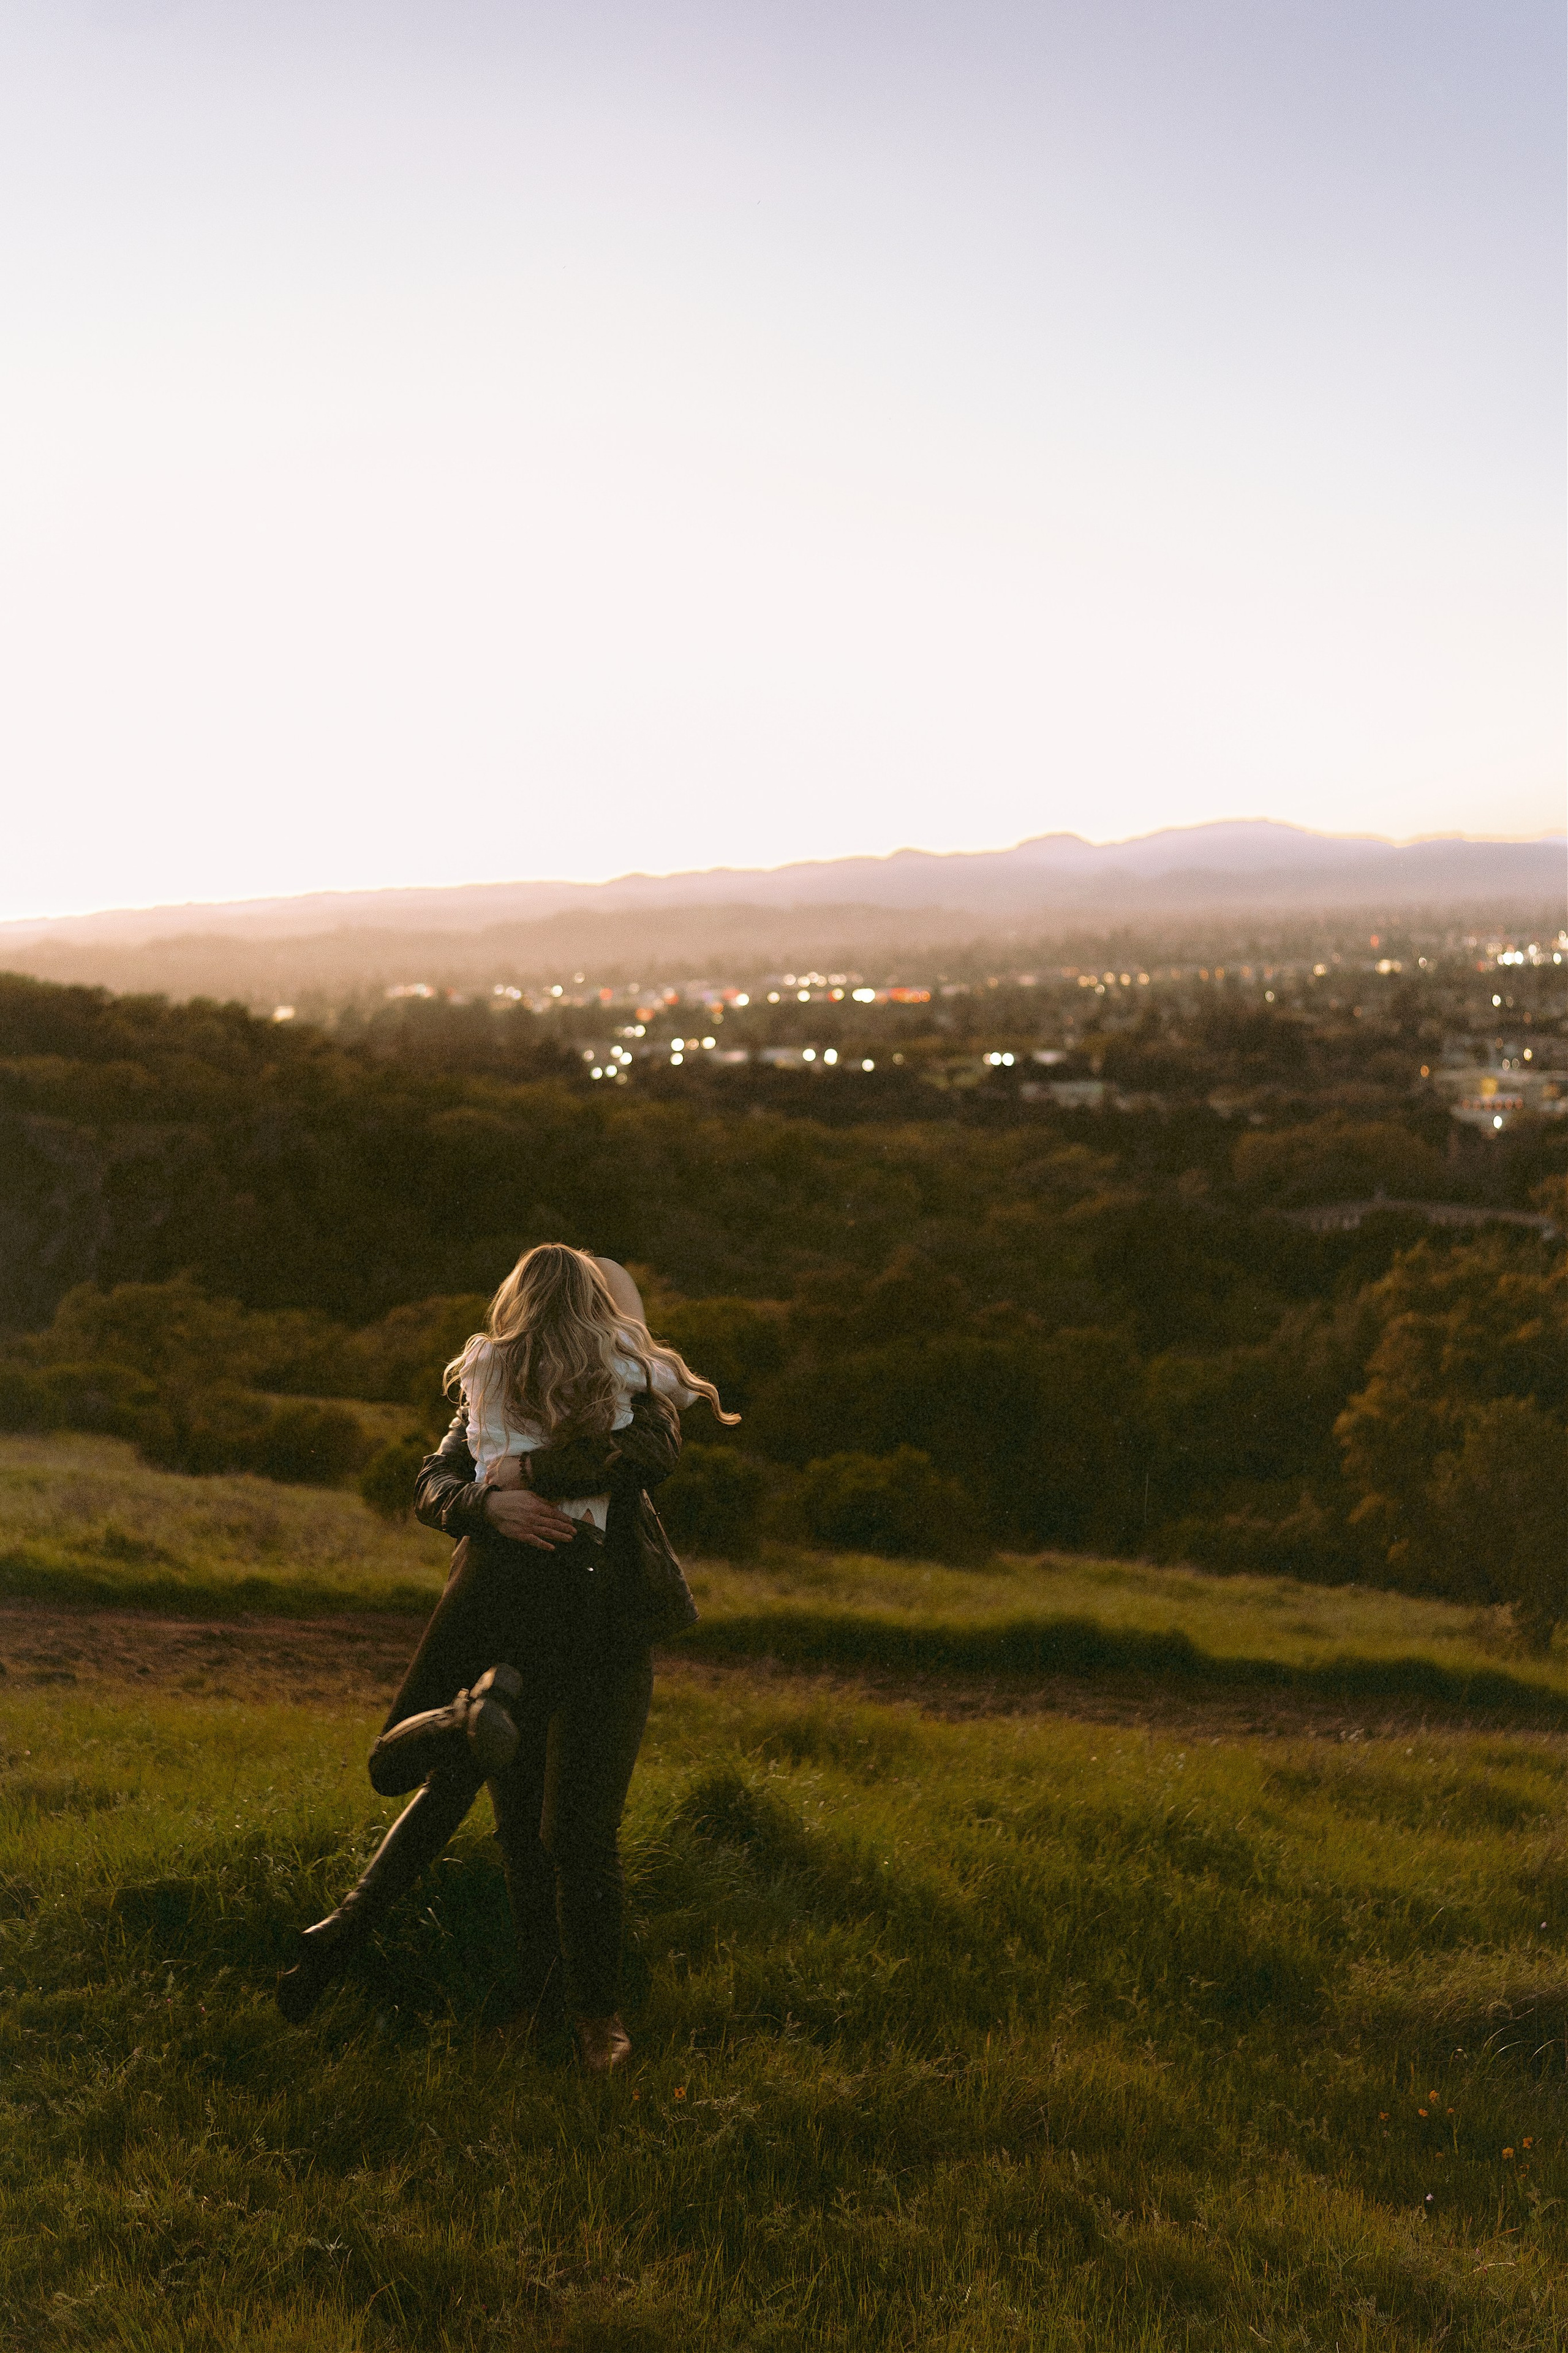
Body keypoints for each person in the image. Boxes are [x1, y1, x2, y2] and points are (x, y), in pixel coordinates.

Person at [275, 1245, 736, 2071]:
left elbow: (653, 1453)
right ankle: (553, 2007)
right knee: (529, 1834)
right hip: (521, 1630)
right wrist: (487, 1503)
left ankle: (596, 2016)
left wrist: (524, 1471)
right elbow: (433, 1479)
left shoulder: (630, 1381)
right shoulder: (490, 1391)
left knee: (574, 1832)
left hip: (603, 1631)